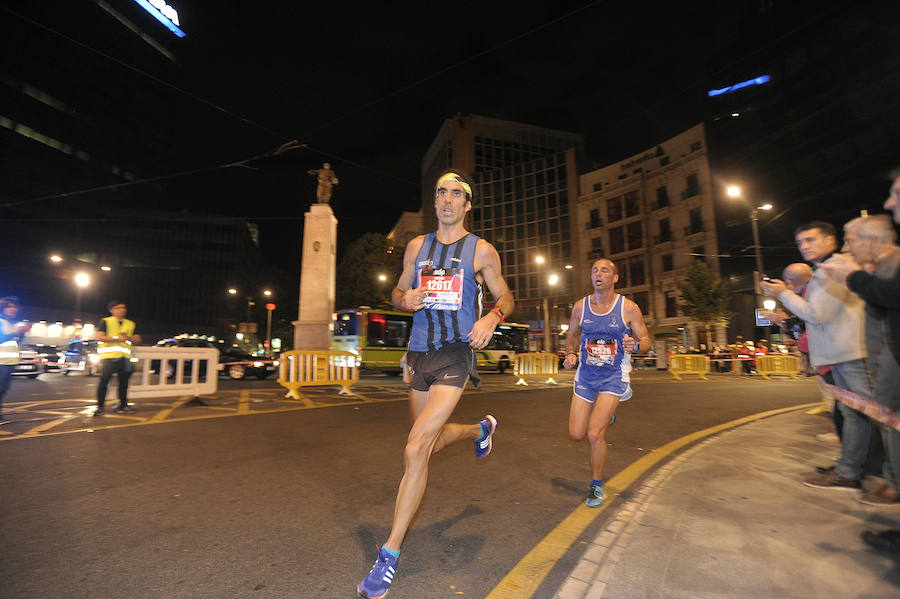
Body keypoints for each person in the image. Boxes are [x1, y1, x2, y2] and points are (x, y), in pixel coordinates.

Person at [356, 169, 514, 599]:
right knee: (430, 445)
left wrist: (491, 317)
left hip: (456, 353)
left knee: (413, 448)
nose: (447, 199)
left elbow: (506, 296)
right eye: (441, 191)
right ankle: (481, 429)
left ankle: (388, 555)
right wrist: (401, 299)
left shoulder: (481, 251)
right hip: (420, 354)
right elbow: (397, 292)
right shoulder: (415, 247)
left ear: (467, 204)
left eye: (455, 193)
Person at [820, 173, 900, 551]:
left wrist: (851, 276)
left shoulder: (892, 264)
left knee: (890, 424)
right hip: (888, 362)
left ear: (872, 241)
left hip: (891, 363)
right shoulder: (878, 268)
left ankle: (891, 481)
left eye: (852, 240)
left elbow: (890, 298)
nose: (849, 246)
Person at [761, 221, 871, 491]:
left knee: (865, 412)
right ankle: (850, 468)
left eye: (811, 240)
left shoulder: (833, 269)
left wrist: (782, 294)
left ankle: (858, 472)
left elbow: (816, 314)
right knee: (852, 412)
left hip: (849, 353)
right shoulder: (826, 269)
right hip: (842, 353)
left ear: (831, 240)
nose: (805, 246)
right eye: (800, 242)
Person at [562, 258, 650, 507]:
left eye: (605, 270)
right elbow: (571, 334)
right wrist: (570, 353)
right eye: (594, 270)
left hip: (613, 376)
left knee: (593, 433)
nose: (598, 274)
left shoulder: (628, 308)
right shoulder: (580, 307)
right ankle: (606, 414)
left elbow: (646, 341)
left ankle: (596, 485)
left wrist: (637, 345)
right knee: (576, 434)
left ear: (615, 278)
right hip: (587, 376)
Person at [95, 300, 141, 415]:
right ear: (111, 310)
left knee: (124, 384)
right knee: (104, 382)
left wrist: (129, 338)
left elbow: (138, 339)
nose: (122, 310)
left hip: (124, 358)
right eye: (118, 308)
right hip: (108, 357)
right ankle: (100, 407)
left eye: (123, 307)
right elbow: (100, 337)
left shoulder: (130, 324)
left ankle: (123, 405)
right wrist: (118, 339)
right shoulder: (105, 321)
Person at [0, 297, 30, 422]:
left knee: (4, 389)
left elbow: (15, 341)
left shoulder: (11, 323)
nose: (13, 309)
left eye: (14, 306)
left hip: (9, 362)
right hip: (1, 362)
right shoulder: (1, 321)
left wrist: (22, 332)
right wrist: (18, 331)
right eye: (9, 306)